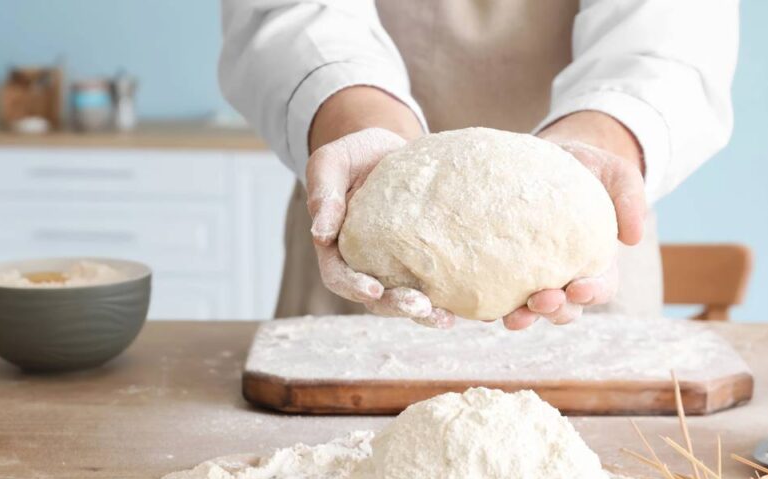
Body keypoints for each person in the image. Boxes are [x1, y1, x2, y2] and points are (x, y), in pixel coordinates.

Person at [219, 0, 738, 329]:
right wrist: (357, 122)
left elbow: (675, 31)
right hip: (355, 188)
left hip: (587, 204)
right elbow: (289, 11)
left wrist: (603, 140)